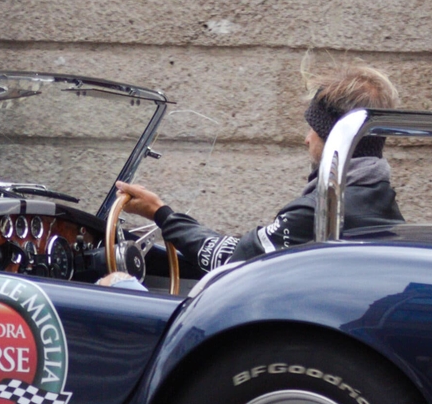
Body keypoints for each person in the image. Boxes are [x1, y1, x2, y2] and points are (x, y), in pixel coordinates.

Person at [115, 64, 406, 273]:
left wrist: (160, 213)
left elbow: (233, 262)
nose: (306, 139)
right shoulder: (378, 195)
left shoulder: (320, 212)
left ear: (334, 138)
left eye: (313, 129)